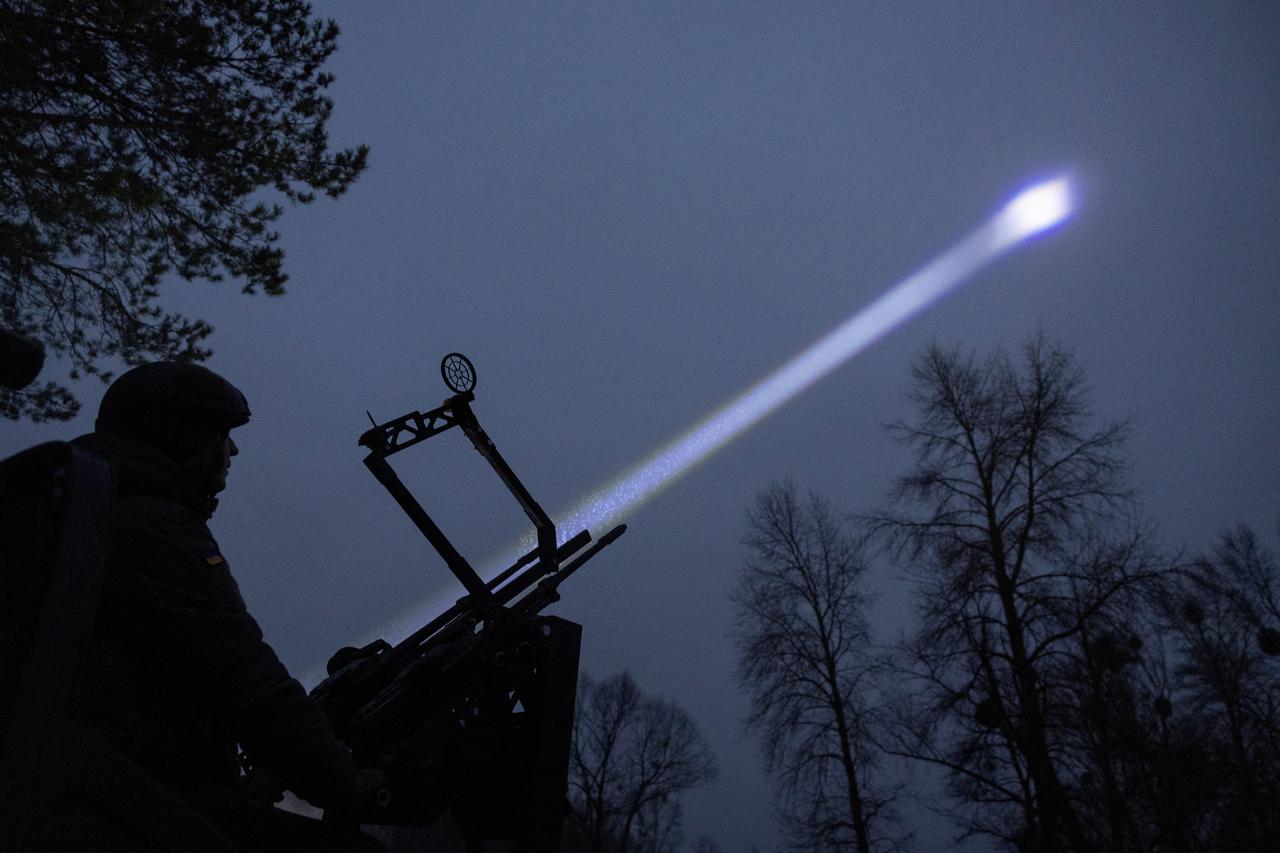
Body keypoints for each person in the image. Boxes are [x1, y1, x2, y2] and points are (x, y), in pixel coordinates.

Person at [64, 362, 380, 852]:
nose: (231, 450)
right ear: (183, 435)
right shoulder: (152, 526)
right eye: (221, 434)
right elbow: (243, 677)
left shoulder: (92, 514)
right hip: (130, 808)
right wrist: (344, 782)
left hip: (94, 796)